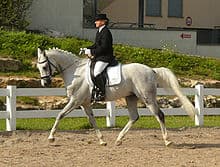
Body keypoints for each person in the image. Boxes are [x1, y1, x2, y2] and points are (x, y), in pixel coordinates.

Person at [84, 14, 117, 102]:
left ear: (103, 22)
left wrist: (91, 52)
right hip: (100, 57)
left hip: (105, 57)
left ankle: (102, 93)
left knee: (96, 72)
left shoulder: (106, 32)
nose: (95, 22)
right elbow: (96, 45)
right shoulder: (99, 31)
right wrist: (87, 48)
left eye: (97, 20)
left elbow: (104, 47)